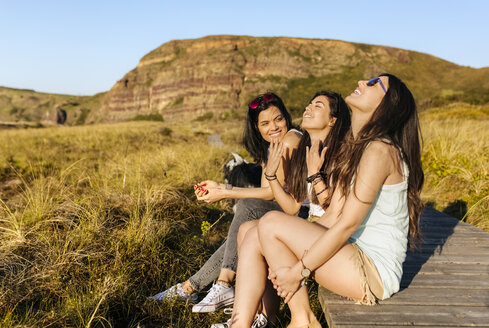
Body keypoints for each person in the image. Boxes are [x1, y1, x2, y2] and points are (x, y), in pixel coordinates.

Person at [227, 74, 424, 328]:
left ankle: (303, 319)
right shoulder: (361, 147)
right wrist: (299, 237)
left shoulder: (380, 150)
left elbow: (346, 226)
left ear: (388, 105)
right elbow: (332, 217)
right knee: (249, 230)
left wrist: (298, 271)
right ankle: (241, 323)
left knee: (271, 223)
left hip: (371, 271)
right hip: (351, 254)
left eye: (376, 83)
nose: (364, 81)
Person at [150, 93, 302, 322]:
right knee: (245, 227)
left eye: (278, 119)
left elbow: (270, 194)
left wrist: (224, 191)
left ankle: (219, 284)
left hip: (302, 215)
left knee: (248, 207)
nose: (274, 127)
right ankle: (191, 288)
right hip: (285, 213)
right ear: (255, 127)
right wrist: (223, 187)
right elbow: (267, 192)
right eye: (265, 123)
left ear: (286, 117)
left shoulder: (291, 139)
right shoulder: (272, 146)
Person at [210, 90, 351, 328]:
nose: (307, 108)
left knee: (264, 224)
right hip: (312, 229)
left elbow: (337, 212)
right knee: (247, 230)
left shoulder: (341, 151)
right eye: (309, 102)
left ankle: (294, 319)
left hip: (333, 238)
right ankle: (251, 320)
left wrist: (316, 174)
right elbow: (292, 206)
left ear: (332, 120)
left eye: (316, 106)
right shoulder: (306, 148)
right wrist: (272, 175)